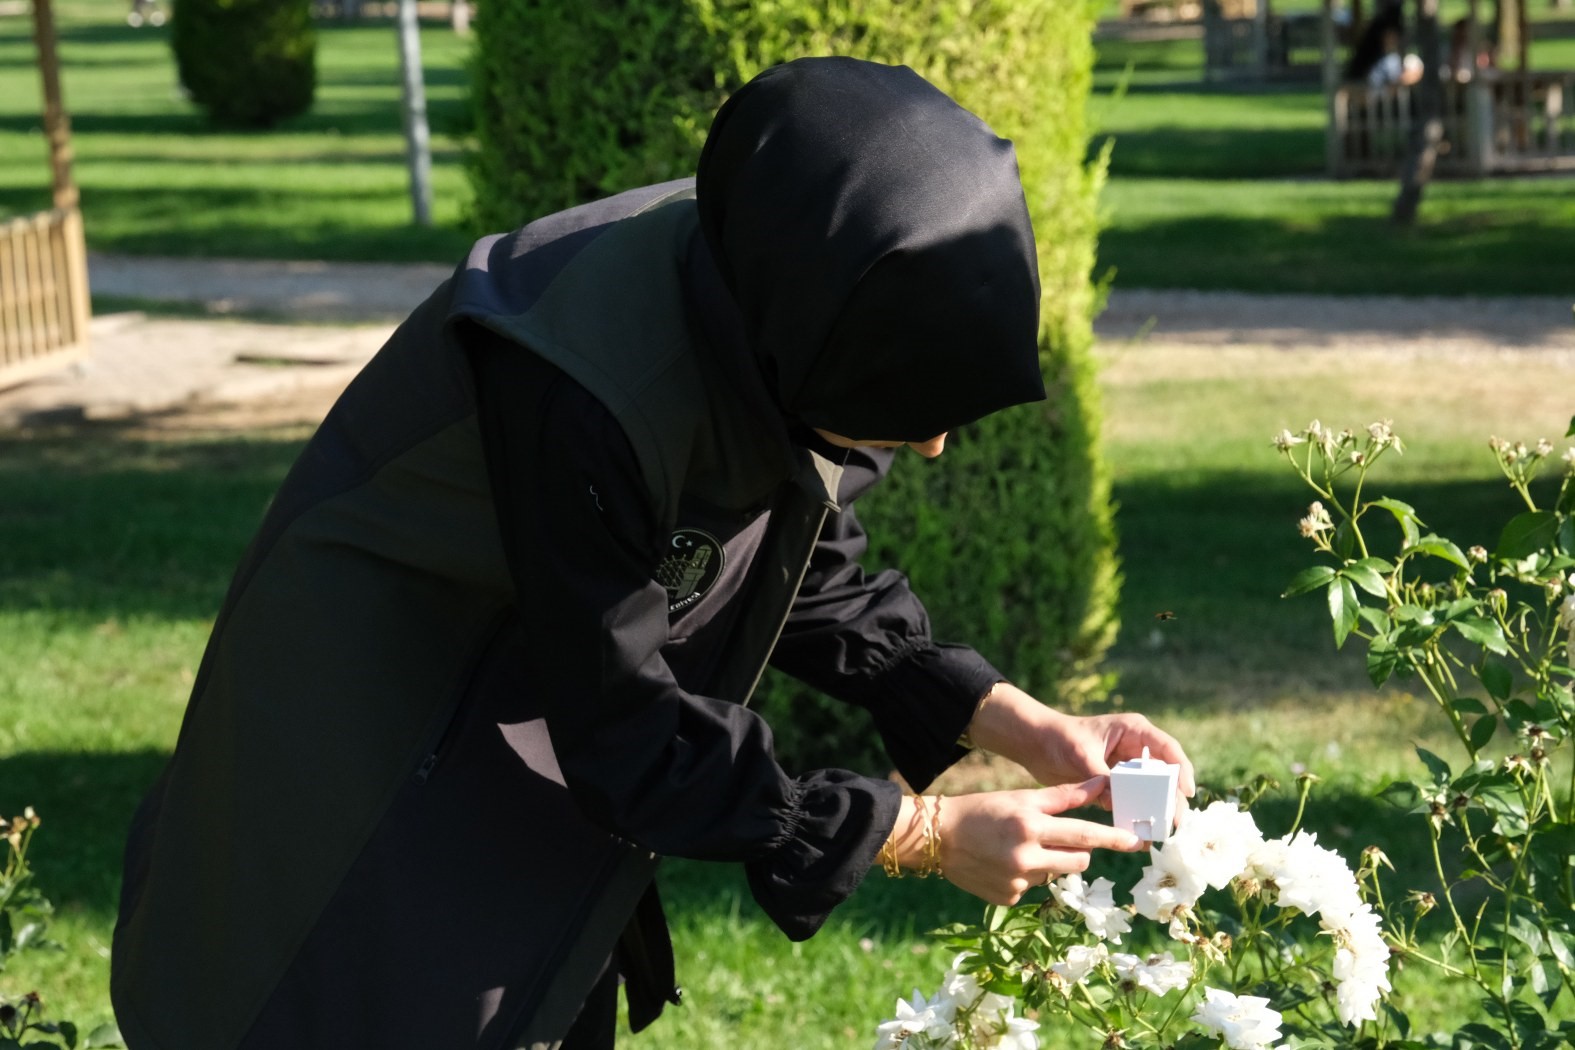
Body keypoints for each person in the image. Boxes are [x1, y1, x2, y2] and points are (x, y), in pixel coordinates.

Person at [110, 57, 1195, 1050]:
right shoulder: (583, 386)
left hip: (523, 721)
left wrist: (1018, 722)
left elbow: (802, 565)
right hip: (371, 749)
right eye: (907, 408)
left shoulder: (777, 272)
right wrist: (922, 833)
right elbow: (623, 730)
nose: (931, 444)